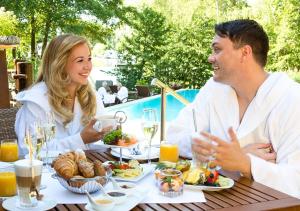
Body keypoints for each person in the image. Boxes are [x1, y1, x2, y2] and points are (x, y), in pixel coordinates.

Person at [167, 19, 300, 198]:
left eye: (217, 49)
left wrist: (245, 164)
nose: (210, 58)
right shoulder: (214, 90)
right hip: (213, 203)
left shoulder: (291, 100)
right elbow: (174, 135)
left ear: (245, 53)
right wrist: (230, 156)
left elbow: (295, 180)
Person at [15, 34, 110, 155]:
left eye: (89, 59)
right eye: (80, 60)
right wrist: (81, 139)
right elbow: (29, 151)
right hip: (45, 173)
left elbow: (98, 144)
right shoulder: (36, 101)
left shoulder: (91, 97)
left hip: (85, 172)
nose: (88, 66)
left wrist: (109, 136)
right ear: (59, 64)